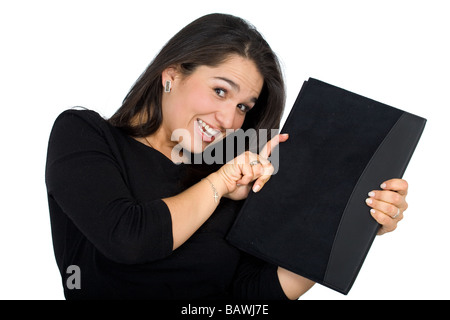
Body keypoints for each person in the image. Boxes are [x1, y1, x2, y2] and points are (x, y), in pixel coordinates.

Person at [45, 13, 409, 300]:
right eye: (220, 91)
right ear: (171, 74)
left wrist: (353, 226)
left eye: (243, 107)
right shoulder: (84, 134)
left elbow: (252, 295)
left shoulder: (231, 172)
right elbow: (128, 238)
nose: (229, 121)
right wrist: (219, 184)